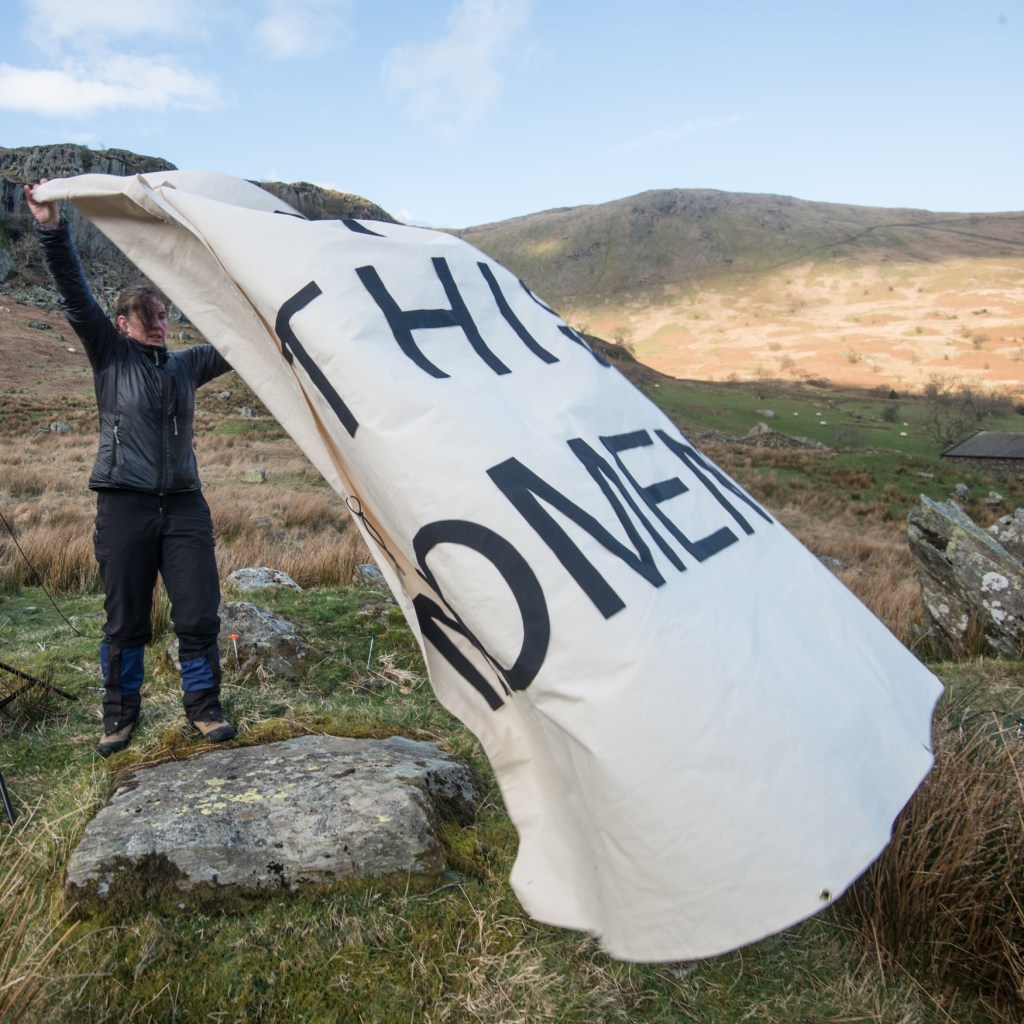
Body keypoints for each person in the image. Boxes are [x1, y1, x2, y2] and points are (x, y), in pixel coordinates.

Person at [24, 181, 235, 757]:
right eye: (148, 316)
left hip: (185, 505)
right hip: (124, 504)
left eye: (165, 314)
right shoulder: (110, 355)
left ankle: (204, 707)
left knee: (197, 613)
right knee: (126, 621)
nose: (160, 323)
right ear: (122, 322)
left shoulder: (187, 366)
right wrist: (51, 228)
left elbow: (238, 339)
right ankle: (119, 716)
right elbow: (72, 290)